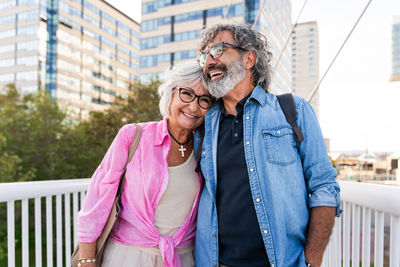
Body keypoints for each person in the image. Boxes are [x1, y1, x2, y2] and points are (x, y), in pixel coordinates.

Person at [193, 23, 341, 267]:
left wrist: (313, 258)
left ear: (249, 58)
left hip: (282, 261)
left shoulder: (294, 110)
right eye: (204, 57)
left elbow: (324, 186)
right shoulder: (204, 126)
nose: (208, 62)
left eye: (218, 50)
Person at [77, 61, 214, 267]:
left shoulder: (207, 149)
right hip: (129, 258)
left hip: (183, 259)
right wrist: (86, 259)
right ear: (171, 93)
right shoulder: (133, 136)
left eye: (205, 100)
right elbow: (97, 200)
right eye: (186, 94)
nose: (194, 106)